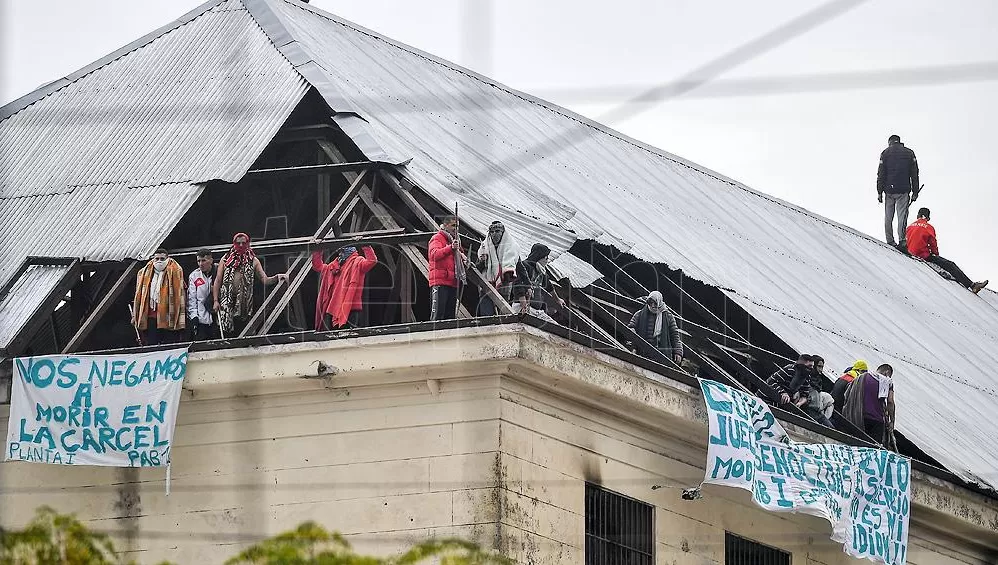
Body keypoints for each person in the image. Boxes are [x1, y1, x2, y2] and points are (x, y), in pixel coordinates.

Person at [212, 232, 289, 337]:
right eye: (238, 243)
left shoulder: (253, 260)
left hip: (244, 302)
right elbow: (217, 280)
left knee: (243, 327)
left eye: (243, 243)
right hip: (226, 300)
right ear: (234, 243)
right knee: (225, 329)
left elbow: (265, 280)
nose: (240, 245)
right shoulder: (226, 259)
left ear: (248, 243)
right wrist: (215, 301)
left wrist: (276, 277)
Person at [906, 208, 988, 293]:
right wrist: (936, 255)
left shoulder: (910, 227)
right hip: (922, 255)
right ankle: (972, 285)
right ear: (928, 218)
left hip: (909, 253)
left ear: (918, 215)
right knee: (950, 265)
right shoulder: (929, 227)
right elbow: (933, 244)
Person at [312, 244, 378, 330]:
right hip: (335, 309)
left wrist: (365, 244)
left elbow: (372, 261)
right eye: (340, 252)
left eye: (343, 251)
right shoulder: (333, 267)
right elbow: (317, 266)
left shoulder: (358, 263)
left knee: (349, 334)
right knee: (337, 335)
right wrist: (318, 249)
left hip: (351, 308)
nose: (341, 254)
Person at [132, 248, 186, 346]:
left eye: (162, 259)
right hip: (151, 316)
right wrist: (135, 315)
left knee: (169, 344)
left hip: (169, 315)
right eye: (157, 259)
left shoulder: (176, 271)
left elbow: (180, 293)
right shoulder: (144, 272)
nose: (159, 261)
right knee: (151, 344)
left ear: (167, 259)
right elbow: (139, 295)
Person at [877, 134, 919, 250]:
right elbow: (914, 174)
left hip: (889, 190)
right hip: (903, 190)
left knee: (888, 217)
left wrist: (879, 192)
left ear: (889, 142)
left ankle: (890, 240)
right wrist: (915, 192)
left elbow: (881, 173)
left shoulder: (885, 153)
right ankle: (902, 241)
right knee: (902, 216)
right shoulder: (909, 153)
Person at [510, 243, 565, 324]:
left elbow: (549, 288)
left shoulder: (541, 272)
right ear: (540, 257)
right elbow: (518, 284)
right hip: (522, 307)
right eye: (546, 257)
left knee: (554, 326)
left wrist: (558, 300)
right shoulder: (525, 266)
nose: (547, 260)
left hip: (536, 311)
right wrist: (523, 303)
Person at [428, 216, 468, 321]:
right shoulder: (437, 238)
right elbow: (433, 255)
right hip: (440, 282)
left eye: (457, 226)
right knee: (438, 315)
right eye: (453, 225)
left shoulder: (455, 242)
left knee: (450, 317)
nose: (456, 228)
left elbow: (459, 258)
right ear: (445, 225)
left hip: (452, 282)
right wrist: (450, 248)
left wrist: (464, 261)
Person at [627, 291, 683, 364]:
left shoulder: (668, 316)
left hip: (661, 355)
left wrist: (678, 352)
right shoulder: (639, 314)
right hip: (642, 352)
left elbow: (675, 336)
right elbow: (631, 329)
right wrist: (633, 347)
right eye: (650, 303)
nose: (653, 306)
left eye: (655, 303)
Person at [476, 221, 519, 316]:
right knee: (486, 314)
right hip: (487, 285)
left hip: (504, 286)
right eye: (492, 232)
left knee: (504, 315)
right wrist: (483, 261)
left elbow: (519, 268)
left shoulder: (511, 248)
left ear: (503, 232)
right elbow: (477, 268)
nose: (494, 234)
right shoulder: (484, 247)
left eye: (497, 231)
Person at [845, 364, 895, 445]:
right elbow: (890, 402)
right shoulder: (887, 382)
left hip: (859, 417)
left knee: (857, 443)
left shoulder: (862, 377)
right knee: (873, 447)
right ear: (887, 372)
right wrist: (892, 421)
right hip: (876, 420)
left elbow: (848, 393)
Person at [187, 249, 217, 340]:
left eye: (203, 260)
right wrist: (194, 316)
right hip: (201, 319)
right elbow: (192, 299)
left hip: (217, 318)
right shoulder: (194, 276)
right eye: (198, 261)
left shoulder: (218, 272)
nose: (201, 264)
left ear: (211, 260)